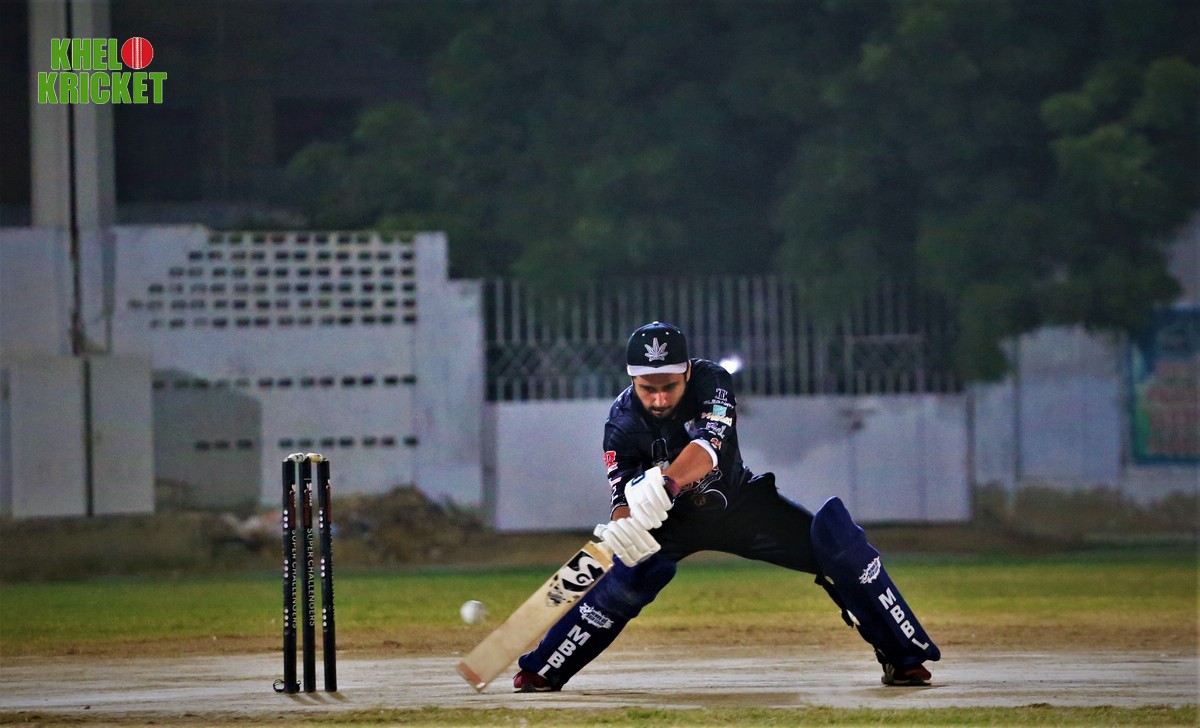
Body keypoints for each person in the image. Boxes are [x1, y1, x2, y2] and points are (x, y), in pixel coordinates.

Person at [513, 321, 940, 692]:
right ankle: (543, 668)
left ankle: (903, 658)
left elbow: (708, 447)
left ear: (687, 371)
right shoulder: (620, 423)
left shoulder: (711, 380)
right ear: (631, 380)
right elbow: (621, 498)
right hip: (672, 524)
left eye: (668, 387)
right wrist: (624, 525)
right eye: (647, 389)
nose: (659, 400)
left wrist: (666, 483)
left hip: (742, 506)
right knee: (629, 577)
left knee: (838, 549)